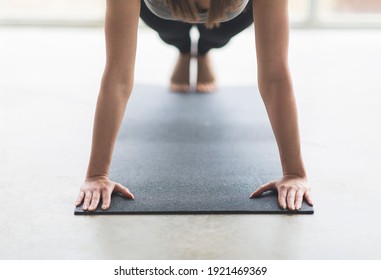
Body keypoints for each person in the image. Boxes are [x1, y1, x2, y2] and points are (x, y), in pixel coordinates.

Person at [75, 0, 314, 212]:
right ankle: (183, 50)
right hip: (165, 14)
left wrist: (294, 173)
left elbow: (274, 78)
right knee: (172, 31)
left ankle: (202, 51)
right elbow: (118, 78)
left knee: (216, 35)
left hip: (228, 17)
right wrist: (97, 175)